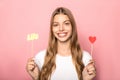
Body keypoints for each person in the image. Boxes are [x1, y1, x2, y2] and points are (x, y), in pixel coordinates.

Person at [26, 7, 96, 80]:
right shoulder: (40, 58)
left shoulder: (85, 58)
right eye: (56, 25)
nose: (61, 29)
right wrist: (36, 78)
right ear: (52, 29)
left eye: (66, 23)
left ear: (72, 27)